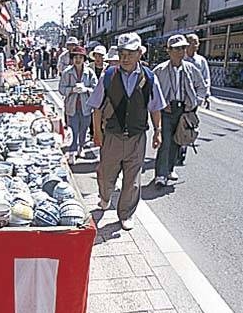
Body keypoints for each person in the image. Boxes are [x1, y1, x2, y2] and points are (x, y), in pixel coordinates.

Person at [89, 33, 166, 231]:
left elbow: (155, 107)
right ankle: (105, 197)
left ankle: (126, 214)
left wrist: (158, 130)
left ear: (139, 53)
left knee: (132, 180)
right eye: (122, 53)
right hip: (112, 136)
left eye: (130, 53)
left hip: (136, 137)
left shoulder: (149, 78)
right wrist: (97, 133)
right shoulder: (108, 75)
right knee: (106, 175)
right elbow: (96, 107)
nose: (125, 58)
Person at [153, 34, 206, 187]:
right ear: (168, 51)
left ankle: (170, 169)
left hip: (184, 110)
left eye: (183, 48)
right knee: (165, 142)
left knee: (178, 141)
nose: (180, 52)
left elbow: (202, 87)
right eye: (176, 49)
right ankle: (160, 175)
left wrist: (197, 102)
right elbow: (152, 91)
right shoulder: (160, 70)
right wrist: (161, 104)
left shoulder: (191, 69)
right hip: (166, 110)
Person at [59, 45, 97, 165]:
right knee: (73, 130)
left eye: (80, 57)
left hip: (86, 107)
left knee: (83, 130)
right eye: (75, 57)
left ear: (84, 59)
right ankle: (72, 152)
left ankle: (81, 147)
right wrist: (71, 90)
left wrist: (86, 89)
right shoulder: (67, 72)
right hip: (72, 106)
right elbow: (61, 88)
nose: (78, 59)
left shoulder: (89, 73)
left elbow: (96, 89)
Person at [181, 33, 211, 164]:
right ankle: (175, 149)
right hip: (180, 97)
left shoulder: (201, 61)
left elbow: (206, 79)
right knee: (177, 124)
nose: (194, 45)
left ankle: (183, 150)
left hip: (194, 99)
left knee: (189, 125)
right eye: (192, 42)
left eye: (196, 43)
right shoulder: (181, 59)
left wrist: (206, 95)